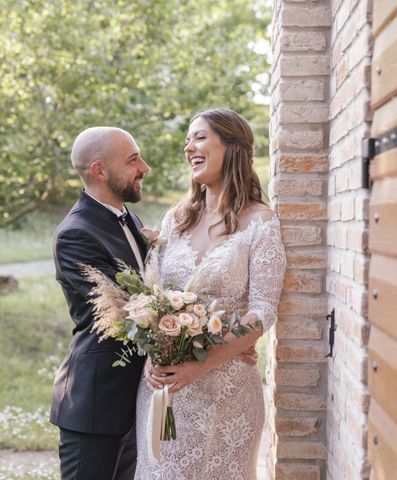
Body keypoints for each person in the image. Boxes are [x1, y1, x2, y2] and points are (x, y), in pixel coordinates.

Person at [135, 108, 286, 479]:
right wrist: (152, 356)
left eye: (199, 137)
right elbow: (154, 297)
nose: (189, 147)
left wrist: (201, 363)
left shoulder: (260, 223)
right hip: (163, 389)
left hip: (226, 391)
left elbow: (263, 310)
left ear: (232, 147)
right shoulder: (176, 219)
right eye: (188, 140)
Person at [49, 126, 150, 480]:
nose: (145, 168)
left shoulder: (130, 219)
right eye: (133, 159)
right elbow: (128, 310)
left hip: (136, 399)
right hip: (96, 404)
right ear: (99, 170)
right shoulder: (76, 233)